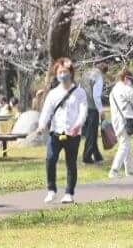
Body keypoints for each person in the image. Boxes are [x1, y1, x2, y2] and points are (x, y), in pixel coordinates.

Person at [38, 57, 88, 203]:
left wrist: (78, 125)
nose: (62, 74)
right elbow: (46, 111)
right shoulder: (53, 93)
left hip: (73, 133)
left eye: (64, 71)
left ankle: (69, 193)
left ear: (71, 73)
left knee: (71, 163)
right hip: (56, 132)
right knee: (50, 159)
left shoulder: (80, 93)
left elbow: (83, 112)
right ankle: (51, 189)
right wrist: (42, 124)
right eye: (59, 72)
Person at [82, 61, 107, 166]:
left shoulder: (86, 74)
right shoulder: (99, 77)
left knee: (90, 133)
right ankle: (87, 157)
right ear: (104, 71)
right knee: (91, 134)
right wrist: (101, 110)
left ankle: (97, 155)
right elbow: (96, 96)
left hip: (83, 107)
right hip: (92, 108)